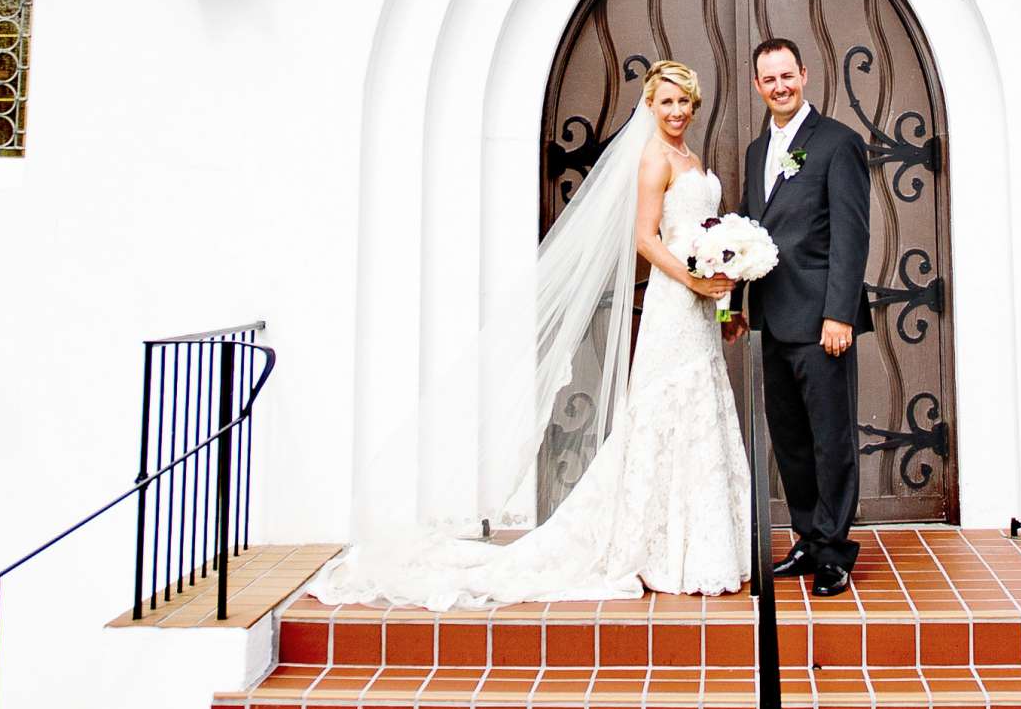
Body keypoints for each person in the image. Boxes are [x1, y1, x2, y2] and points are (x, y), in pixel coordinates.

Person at [314, 60, 750, 608]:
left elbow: (704, 236)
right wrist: (689, 277)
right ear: (649, 107)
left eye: (684, 100)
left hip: (699, 311)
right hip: (671, 304)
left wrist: (723, 294)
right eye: (666, 102)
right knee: (665, 412)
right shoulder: (652, 159)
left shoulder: (692, 158)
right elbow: (645, 237)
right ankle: (654, 547)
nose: (677, 110)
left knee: (696, 411)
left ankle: (696, 546)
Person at [742, 36, 874, 597]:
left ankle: (834, 551)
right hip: (774, 319)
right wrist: (741, 309)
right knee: (790, 438)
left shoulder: (838, 143)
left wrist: (839, 313)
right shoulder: (755, 152)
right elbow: (749, 236)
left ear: (805, 75)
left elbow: (851, 234)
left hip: (823, 322)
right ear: (757, 86)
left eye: (787, 76)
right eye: (769, 79)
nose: (780, 86)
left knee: (830, 437)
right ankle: (806, 535)